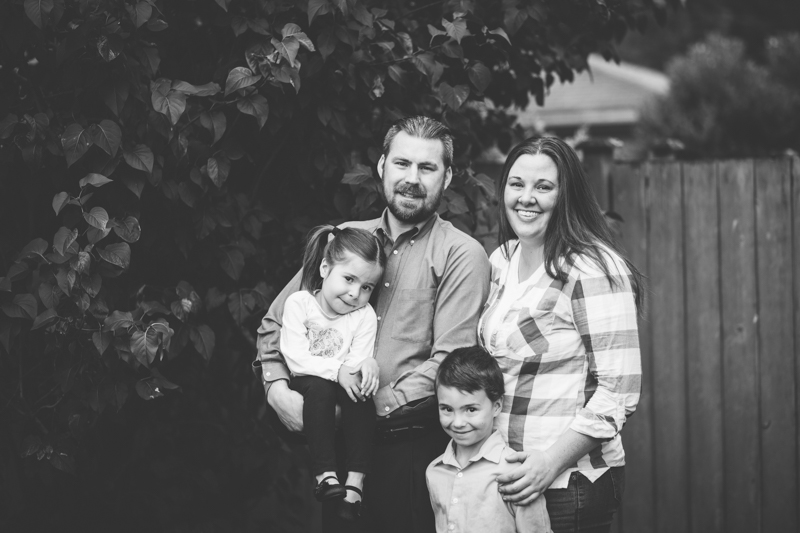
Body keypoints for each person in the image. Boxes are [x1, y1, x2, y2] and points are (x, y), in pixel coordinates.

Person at [254, 116, 492, 532]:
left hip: (411, 453)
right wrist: (276, 389)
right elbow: (275, 321)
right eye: (402, 163)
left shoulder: (461, 255)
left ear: (448, 177)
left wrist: (354, 408)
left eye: (427, 167)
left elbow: (449, 365)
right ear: (381, 166)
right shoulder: (345, 241)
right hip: (334, 456)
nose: (411, 179)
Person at [479, 137, 643, 532]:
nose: (526, 198)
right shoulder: (501, 260)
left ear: (566, 194)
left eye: (543, 186)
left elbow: (619, 391)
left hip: (568, 484)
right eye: (516, 184)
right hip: (507, 476)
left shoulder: (593, 268)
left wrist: (548, 463)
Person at [280, 225, 385, 516]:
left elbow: (357, 360)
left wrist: (366, 365)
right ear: (325, 268)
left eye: (367, 287)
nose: (355, 294)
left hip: (341, 383)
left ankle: (355, 483)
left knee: (362, 394)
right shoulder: (300, 304)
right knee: (322, 387)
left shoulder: (363, 316)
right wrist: (338, 370)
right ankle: (325, 476)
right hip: (306, 382)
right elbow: (295, 357)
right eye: (349, 279)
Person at [426, 346, 552, 533]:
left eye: (471, 409)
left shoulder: (515, 473)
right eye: (447, 409)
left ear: (497, 406)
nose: (458, 422)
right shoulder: (434, 472)